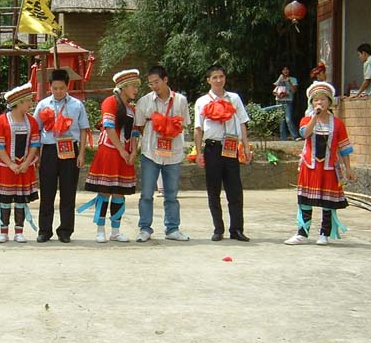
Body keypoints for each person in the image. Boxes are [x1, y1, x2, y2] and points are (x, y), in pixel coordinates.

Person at [285, 82, 356, 245]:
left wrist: (348, 169)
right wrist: (314, 117)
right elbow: (305, 134)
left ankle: (324, 233)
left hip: (329, 167)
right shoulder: (306, 120)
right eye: (316, 100)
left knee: (328, 203)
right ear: (311, 103)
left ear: (329, 102)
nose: (319, 102)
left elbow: (344, 148)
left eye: (323, 99)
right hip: (310, 166)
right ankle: (302, 233)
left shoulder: (338, 124)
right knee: (305, 200)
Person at [79, 69, 141, 243]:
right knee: (105, 192)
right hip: (109, 152)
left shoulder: (131, 109)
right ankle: (100, 230)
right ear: (123, 86)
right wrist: (121, 150)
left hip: (125, 154)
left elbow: (134, 132)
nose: (136, 90)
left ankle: (115, 231)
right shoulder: (110, 102)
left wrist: (133, 151)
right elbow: (109, 127)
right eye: (133, 86)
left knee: (120, 193)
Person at [193, 65, 253, 242]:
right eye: (214, 77)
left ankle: (237, 229)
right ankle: (218, 229)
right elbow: (198, 128)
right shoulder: (202, 101)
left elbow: (242, 123)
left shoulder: (234, 98)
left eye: (221, 76)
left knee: (235, 190)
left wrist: (246, 147)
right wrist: (198, 152)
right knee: (213, 189)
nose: (218, 80)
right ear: (208, 80)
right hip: (212, 147)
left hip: (231, 146)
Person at [33, 68, 90, 243]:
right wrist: (37, 155)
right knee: (47, 192)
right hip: (49, 150)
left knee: (68, 192)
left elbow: (83, 130)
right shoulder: (43, 105)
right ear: (49, 87)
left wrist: (81, 154)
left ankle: (65, 231)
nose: (58, 92)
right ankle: (44, 230)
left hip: (70, 150)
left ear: (68, 86)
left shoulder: (77, 105)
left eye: (62, 88)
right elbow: (36, 130)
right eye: (55, 88)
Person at [134, 65, 191, 243]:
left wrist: (169, 128)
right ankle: (145, 228)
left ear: (165, 80)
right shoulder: (144, 101)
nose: (154, 86)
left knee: (171, 194)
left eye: (156, 82)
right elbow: (140, 126)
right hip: (150, 153)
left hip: (173, 154)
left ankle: (172, 229)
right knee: (146, 194)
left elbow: (184, 124)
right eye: (150, 83)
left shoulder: (180, 100)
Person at [0, 82, 41, 243]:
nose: (30, 104)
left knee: (21, 199)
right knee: (5, 200)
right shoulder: (1, 121)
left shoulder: (32, 122)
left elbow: (34, 144)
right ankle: (3, 231)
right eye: (28, 101)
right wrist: (11, 164)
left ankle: (19, 231)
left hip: (24, 167)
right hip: (6, 167)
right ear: (19, 103)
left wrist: (26, 163)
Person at [273, 65, 299, 141]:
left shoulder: (293, 79)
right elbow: (275, 88)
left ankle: (295, 136)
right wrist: (280, 80)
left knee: (288, 119)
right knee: (281, 120)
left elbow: (294, 90)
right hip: (279, 101)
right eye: (283, 69)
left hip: (288, 101)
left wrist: (289, 81)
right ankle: (283, 138)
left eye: (287, 69)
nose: (285, 71)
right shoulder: (280, 78)